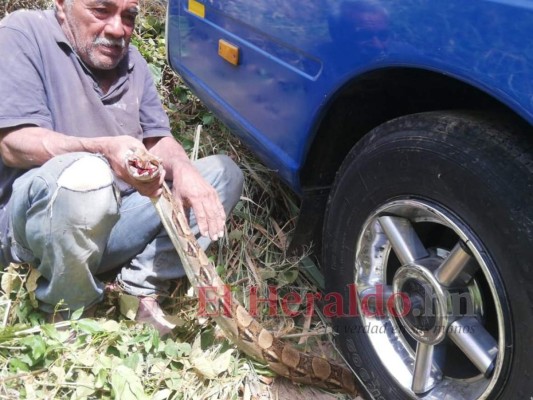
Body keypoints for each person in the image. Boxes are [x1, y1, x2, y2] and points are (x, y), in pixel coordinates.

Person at [0, 0, 244, 335]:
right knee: (88, 174)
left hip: (113, 219)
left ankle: (139, 287)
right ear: (61, 5)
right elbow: (13, 143)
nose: (118, 29)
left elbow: (157, 140)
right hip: (37, 228)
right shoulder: (24, 33)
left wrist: (185, 170)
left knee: (221, 174)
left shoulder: (134, 64)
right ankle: (66, 307)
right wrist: (101, 149)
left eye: (128, 17)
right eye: (101, 11)